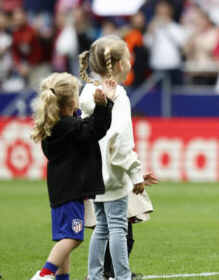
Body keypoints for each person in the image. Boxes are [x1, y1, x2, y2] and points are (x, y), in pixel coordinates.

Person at [30, 73, 115, 280]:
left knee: (64, 238)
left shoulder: (57, 126)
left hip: (60, 191)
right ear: (71, 101)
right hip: (70, 191)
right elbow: (94, 130)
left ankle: (60, 277)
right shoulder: (69, 126)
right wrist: (105, 104)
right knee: (72, 237)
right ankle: (44, 274)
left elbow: (85, 128)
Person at [79, 35, 145, 280]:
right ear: (119, 65)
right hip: (113, 172)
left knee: (102, 228)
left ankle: (94, 276)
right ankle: (122, 276)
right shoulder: (120, 97)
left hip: (94, 172)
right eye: (128, 57)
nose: (130, 61)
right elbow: (121, 140)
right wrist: (135, 173)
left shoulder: (88, 93)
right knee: (117, 226)